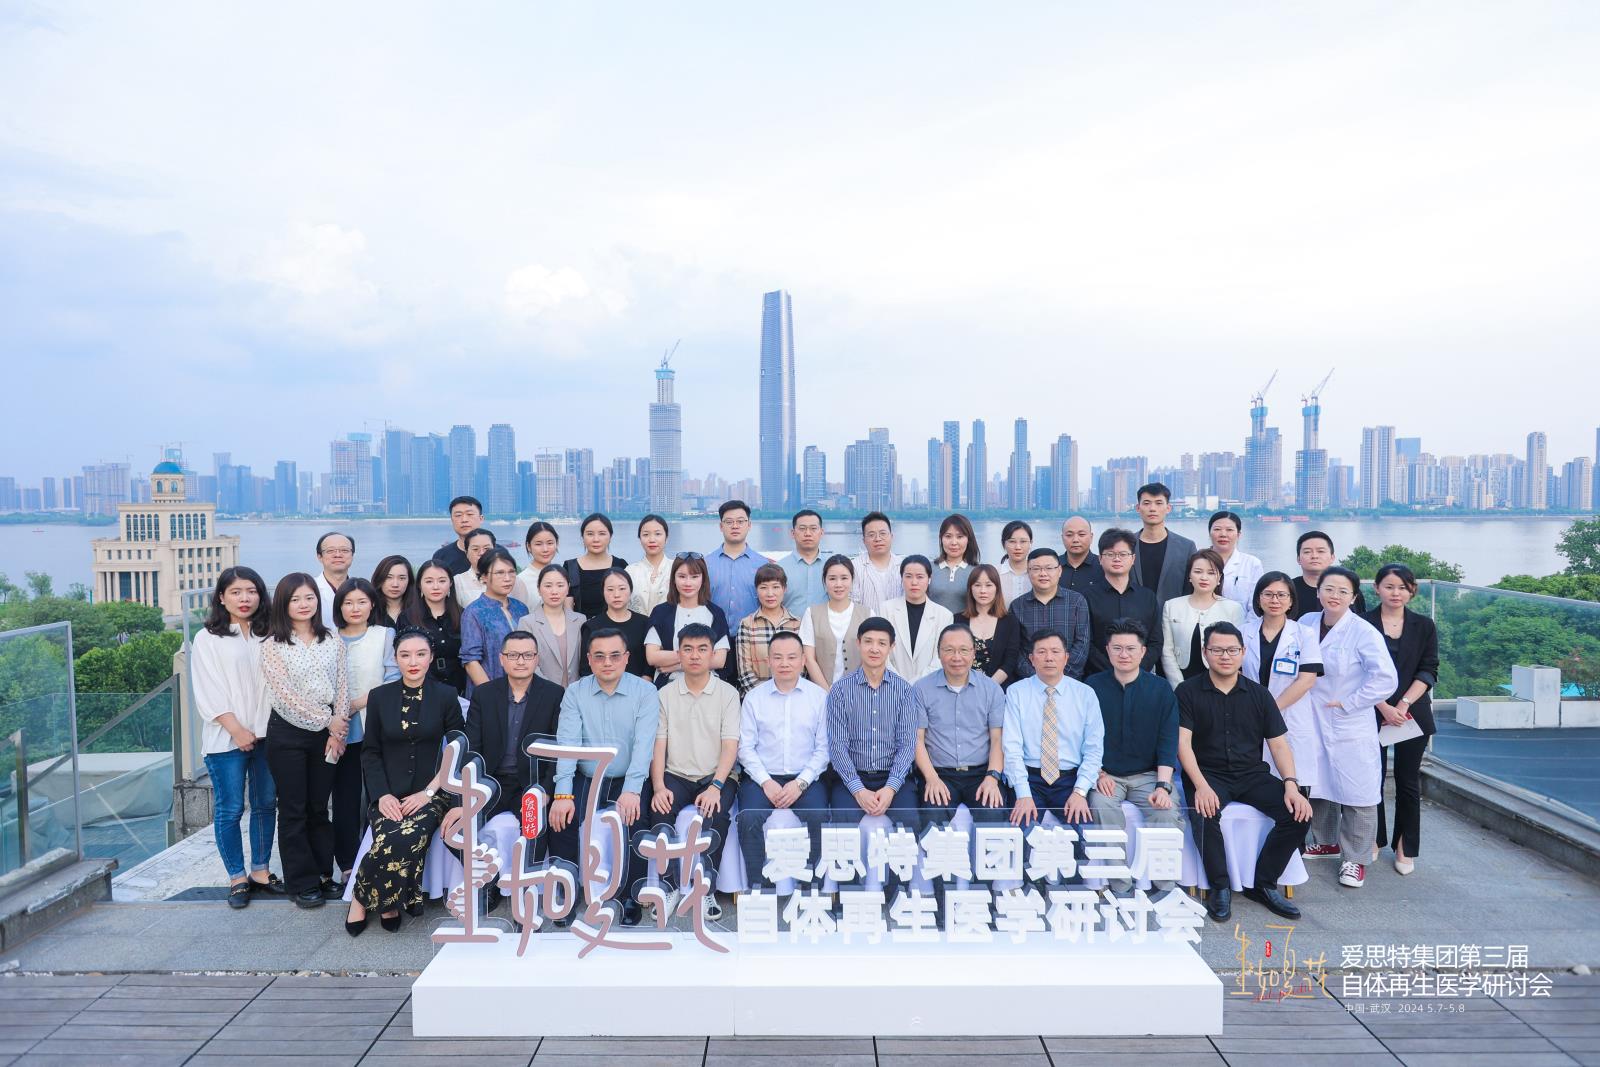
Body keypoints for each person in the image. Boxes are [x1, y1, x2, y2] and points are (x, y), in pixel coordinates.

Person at [1176, 621, 1313, 922]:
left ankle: (1263, 884)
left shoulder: (1259, 695)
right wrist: (1200, 785)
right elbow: (1182, 744)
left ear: (1243, 652)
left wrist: (1291, 785)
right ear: (1205, 653)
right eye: (1217, 650)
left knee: (1298, 813)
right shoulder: (1187, 691)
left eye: (1232, 650)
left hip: (1251, 774)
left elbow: (1279, 745)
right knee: (1204, 814)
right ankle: (1220, 886)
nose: (1225, 656)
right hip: (1208, 774)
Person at [344, 630, 464, 935]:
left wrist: (429, 792)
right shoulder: (379, 696)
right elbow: (370, 752)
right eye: (405, 655)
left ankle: (361, 897)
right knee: (388, 833)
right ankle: (388, 904)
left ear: (431, 657)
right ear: (395, 658)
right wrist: (382, 794)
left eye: (420, 654)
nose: (413, 662)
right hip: (388, 790)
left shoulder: (446, 695)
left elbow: (458, 749)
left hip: (432, 791)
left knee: (410, 835)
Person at [549, 629, 662, 926]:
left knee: (636, 820)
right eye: (599, 656)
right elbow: (568, 744)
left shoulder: (645, 692)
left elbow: (644, 745)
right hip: (588, 775)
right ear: (589, 659)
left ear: (626, 658)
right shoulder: (575, 692)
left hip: (629, 775)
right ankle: (567, 889)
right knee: (563, 818)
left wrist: (633, 790)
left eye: (614, 655)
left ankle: (630, 894)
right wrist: (563, 793)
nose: (607, 662)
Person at [1302, 567, 1398, 889]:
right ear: (1318, 591)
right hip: (1312, 717)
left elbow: (1386, 679)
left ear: (1354, 597)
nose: (1335, 596)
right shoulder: (1306, 623)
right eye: (1329, 589)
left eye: (1343, 591)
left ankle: (1355, 859)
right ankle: (1325, 841)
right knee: (1318, 782)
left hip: (1349, 721)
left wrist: (1350, 702)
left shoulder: (1363, 632)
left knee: (1358, 791)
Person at [192, 566, 280, 908]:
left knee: (265, 803)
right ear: (221, 597)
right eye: (236, 592)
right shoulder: (208, 638)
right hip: (226, 739)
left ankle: (260, 870)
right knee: (230, 809)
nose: (245, 598)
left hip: (267, 735)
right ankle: (237, 877)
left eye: (251, 591)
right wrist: (237, 730)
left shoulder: (268, 633)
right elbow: (208, 691)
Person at [259, 573, 349, 908]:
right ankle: (301, 882)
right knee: (293, 808)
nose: (303, 604)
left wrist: (337, 731)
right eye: (295, 599)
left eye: (309, 597)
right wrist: (329, 721)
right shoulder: (273, 646)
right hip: (288, 733)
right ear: (283, 604)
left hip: (327, 733)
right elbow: (286, 696)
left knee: (319, 808)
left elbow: (343, 687)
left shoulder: (333, 640)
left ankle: (323, 874)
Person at [463, 629, 564, 908]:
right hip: (491, 783)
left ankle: (526, 889)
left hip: (530, 783)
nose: (521, 661)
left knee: (534, 825)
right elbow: (472, 748)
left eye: (528, 655)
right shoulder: (484, 694)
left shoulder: (554, 694)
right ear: (502, 659)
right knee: (456, 826)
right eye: (513, 655)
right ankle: (491, 879)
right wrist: (469, 794)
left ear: (537, 658)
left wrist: (546, 789)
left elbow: (558, 750)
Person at [913, 625, 1009, 907]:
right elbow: (917, 740)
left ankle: (982, 899)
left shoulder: (991, 689)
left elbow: (997, 739)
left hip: (981, 773)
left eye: (964, 650)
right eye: (949, 650)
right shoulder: (921, 689)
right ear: (939, 653)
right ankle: (942, 900)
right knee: (933, 821)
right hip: (939, 773)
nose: (957, 657)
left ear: (974, 653)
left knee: (992, 818)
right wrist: (931, 778)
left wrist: (993, 777)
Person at [649, 623, 740, 919]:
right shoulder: (664, 694)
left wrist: (716, 786)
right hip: (676, 775)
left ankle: (706, 888)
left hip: (716, 776)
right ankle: (669, 886)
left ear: (713, 654)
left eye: (702, 649)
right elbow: (659, 744)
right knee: (659, 811)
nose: (695, 656)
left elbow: (730, 745)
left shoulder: (728, 693)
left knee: (716, 817)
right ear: (678, 653)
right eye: (687, 649)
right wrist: (659, 786)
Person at [1084, 620, 1183, 893]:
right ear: (1107, 650)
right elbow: (1082, 736)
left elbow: (1168, 741)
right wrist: (1098, 773)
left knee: (1165, 810)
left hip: (1149, 775)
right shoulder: (1092, 686)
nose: (1124, 654)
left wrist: (1163, 786)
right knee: (1101, 804)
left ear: (1142, 652)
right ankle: (1120, 885)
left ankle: (1165, 885)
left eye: (1130, 648)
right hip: (1107, 775)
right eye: (1117, 648)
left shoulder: (1160, 689)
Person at [827, 617, 924, 895]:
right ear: (858, 644)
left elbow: (907, 745)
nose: (874, 648)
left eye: (882, 643)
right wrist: (858, 790)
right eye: (868, 641)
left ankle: (897, 892)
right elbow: (837, 746)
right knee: (843, 824)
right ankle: (848, 895)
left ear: (891, 647)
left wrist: (891, 788)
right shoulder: (840, 690)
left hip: (893, 776)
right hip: (852, 776)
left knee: (910, 822)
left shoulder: (904, 690)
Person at [1003, 630, 1103, 895]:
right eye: (1042, 652)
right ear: (1031, 659)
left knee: (1083, 831)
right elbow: (1011, 748)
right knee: (1022, 829)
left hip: (1069, 779)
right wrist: (1023, 794)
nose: (1049, 658)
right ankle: (1028, 893)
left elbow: (1094, 748)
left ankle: (1074, 896)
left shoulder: (1085, 694)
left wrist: (1080, 791)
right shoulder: (1016, 693)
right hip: (1030, 777)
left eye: (1055, 652)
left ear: (1066, 657)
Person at [738, 631, 831, 893]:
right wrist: (766, 782)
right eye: (777, 657)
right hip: (763, 778)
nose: (784, 663)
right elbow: (745, 748)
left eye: (792, 657)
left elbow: (824, 749)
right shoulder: (754, 698)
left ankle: (811, 890)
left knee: (818, 817)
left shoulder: (819, 697)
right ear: (768, 661)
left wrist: (800, 783)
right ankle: (760, 887)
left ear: (803, 661)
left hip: (806, 777)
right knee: (748, 818)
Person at [1365, 563, 1440, 876]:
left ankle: (1404, 846)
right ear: (1377, 588)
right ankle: (1373, 838)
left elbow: (1429, 669)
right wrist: (1384, 706)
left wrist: (1404, 703)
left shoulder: (1424, 625)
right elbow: (1355, 671)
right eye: (1389, 586)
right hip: (1371, 712)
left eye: (1403, 587)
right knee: (1372, 780)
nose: (1396, 593)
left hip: (1412, 714)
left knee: (1408, 782)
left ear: (1412, 591)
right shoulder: (1362, 622)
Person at [1242, 572, 1325, 851]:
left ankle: (1294, 850)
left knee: (1293, 782)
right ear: (1258, 599)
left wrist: (1271, 709)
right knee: (1258, 785)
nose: (1274, 600)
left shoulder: (1304, 634)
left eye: (1281, 595)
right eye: (1268, 594)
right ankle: (1257, 847)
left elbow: (1307, 679)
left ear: (1291, 601)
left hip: (1290, 717)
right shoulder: (1243, 632)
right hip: (1250, 717)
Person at [332, 577, 398, 885]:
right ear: (339, 607)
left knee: (379, 794)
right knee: (344, 799)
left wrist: (354, 704)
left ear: (372, 604)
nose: (355, 608)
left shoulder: (384, 635)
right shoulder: (328, 638)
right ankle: (347, 863)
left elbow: (393, 679)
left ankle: (380, 856)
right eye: (348, 602)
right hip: (339, 731)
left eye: (361, 602)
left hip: (377, 727)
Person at [1081, 529, 1163, 677]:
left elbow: (1155, 642)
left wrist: (1137, 670)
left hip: (1141, 676)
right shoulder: (1086, 597)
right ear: (1100, 559)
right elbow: (1086, 642)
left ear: (1133, 559)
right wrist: (1112, 672)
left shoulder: (1147, 597)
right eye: (1110, 554)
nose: (1117, 559)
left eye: (1123, 554)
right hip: (1099, 677)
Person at [1160, 549, 1246, 687]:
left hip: (1219, 682)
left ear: (1219, 578)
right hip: (1181, 679)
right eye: (1198, 571)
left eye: (1211, 573)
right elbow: (1167, 651)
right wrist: (1179, 687)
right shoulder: (1172, 606)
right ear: (1189, 575)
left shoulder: (1233, 608)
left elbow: (1237, 650)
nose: (1204, 577)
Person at [645, 554, 732, 686]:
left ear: (703, 579)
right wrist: (700, 656)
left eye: (694, 577)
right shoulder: (660, 612)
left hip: (708, 685)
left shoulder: (716, 613)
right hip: (669, 685)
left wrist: (677, 666)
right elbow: (652, 657)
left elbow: (719, 660)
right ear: (673, 579)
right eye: (682, 576)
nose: (688, 583)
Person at [1010, 548, 1091, 682]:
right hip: (1030, 683)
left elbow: (1082, 643)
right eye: (1036, 569)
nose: (1043, 573)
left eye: (1049, 568)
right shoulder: (1017, 606)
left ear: (1059, 571)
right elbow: (1016, 649)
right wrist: (1035, 678)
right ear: (1028, 572)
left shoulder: (1077, 601)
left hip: (1070, 681)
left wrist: (1061, 678)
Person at [460, 547, 529, 696]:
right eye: (499, 573)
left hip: (522, 690)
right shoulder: (474, 612)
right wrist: (492, 695)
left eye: (511, 572)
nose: (507, 578)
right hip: (489, 692)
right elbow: (471, 661)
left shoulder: (521, 608)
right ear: (484, 576)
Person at [881, 555, 955, 682]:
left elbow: (940, 658)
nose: (914, 582)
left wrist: (916, 684)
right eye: (908, 576)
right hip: (891, 684)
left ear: (929, 579)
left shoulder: (944, 615)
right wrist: (900, 683)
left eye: (920, 577)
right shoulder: (886, 609)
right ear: (901, 578)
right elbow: (882, 652)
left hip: (928, 686)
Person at [799, 554, 869, 688]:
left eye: (844, 578)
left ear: (852, 580)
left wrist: (853, 690)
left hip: (858, 690)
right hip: (820, 691)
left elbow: (870, 657)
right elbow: (809, 659)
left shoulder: (867, 614)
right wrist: (827, 692)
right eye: (832, 578)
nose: (838, 584)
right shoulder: (811, 614)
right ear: (824, 582)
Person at [735, 563, 802, 695]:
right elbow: (745, 672)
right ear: (756, 590)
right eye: (763, 587)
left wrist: (788, 694)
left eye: (776, 587)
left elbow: (802, 667)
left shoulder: (797, 624)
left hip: (793, 697)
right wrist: (766, 698)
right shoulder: (747, 624)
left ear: (784, 589)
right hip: (756, 698)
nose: (770, 593)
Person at [402, 560, 465, 694]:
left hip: (460, 688)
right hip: (422, 689)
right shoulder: (407, 617)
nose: (436, 587)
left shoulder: (463, 615)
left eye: (442, 581)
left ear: (450, 583)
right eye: (429, 581)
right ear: (419, 585)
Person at [518, 564, 585, 688]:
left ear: (568, 588)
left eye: (560, 585)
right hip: (542, 692)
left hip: (576, 693)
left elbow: (584, 661)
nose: (554, 591)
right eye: (548, 586)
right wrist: (550, 691)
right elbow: (527, 662)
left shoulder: (580, 620)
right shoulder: (527, 623)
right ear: (539, 589)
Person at [1130, 483, 1196, 607]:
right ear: (1138, 508)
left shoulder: (1186, 547)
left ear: (1168, 508)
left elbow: (1191, 587)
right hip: (1133, 615)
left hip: (1173, 615)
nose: (1152, 508)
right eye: (1147, 503)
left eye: (1159, 503)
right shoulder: (1126, 545)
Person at [955, 564, 1022, 686]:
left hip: (998, 688)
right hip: (963, 687)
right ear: (970, 589)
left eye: (988, 585)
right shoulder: (957, 620)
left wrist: (989, 687)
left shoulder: (1010, 621)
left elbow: (1010, 661)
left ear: (997, 588)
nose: (983, 591)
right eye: (977, 585)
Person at [579, 569, 652, 678]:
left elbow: (649, 666)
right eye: (610, 589)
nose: (616, 594)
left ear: (631, 590)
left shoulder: (645, 623)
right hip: (602, 686)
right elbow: (585, 669)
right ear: (603, 592)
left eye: (622, 588)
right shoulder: (591, 626)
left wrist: (644, 682)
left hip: (639, 686)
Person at [705, 500, 763, 628]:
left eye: (740, 521)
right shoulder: (705, 563)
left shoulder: (762, 564)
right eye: (729, 522)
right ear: (721, 526)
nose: (735, 526)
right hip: (713, 634)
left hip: (751, 635)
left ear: (749, 525)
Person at [564, 513, 629, 620]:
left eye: (602, 534)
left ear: (610, 536)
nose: (596, 539)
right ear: (582, 536)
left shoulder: (620, 565)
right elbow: (568, 608)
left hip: (615, 626)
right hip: (581, 626)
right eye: (590, 534)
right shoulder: (570, 567)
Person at [1289, 531, 1367, 620]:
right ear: (1298, 559)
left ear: (1332, 557)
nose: (1314, 556)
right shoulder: (1288, 589)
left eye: (1320, 551)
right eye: (1307, 552)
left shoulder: (1348, 589)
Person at [1208, 511, 1263, 616]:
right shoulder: (1198, 561)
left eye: (1229, 530)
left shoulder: (1252, 564)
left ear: (1238, 534)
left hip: (1240, 624)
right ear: (1210, 533)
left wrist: (1245, 626)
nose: (1223, 534)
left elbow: (1256, 606)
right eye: (1217, 529)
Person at [849, 511, 903, 613]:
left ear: (891, 536)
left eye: (883, 533)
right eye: (871, 535)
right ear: (864, 540)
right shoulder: (853, 568)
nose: (878, 539)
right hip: (864, 623)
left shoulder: (904, 567)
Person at [928, 513, 979, 614]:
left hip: (965, 624)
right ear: (941, 538)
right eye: (948, 536)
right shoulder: (928, 568)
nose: (954, 542)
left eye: (960, 537)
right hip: (932, 623)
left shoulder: (977, 571)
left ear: (968, 539)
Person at [779, 509, 827, 613]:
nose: (808, 533)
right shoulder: (779, 568)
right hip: (789, 623)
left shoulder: (832, 567)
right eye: (802, 529)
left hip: (825, 623)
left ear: (821, 532)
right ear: (793, 533)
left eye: (813, 528)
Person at [625, 515, 673, 615]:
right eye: (646, 534)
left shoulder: (676, 569)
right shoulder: (630, 572)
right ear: (640, 539)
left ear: (667, 538)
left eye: (658, 534)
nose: (652, 539)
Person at [433, 496, 484, 577]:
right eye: (458, 515)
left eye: (470, 514)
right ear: (452, 520)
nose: (464, 520)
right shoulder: (441, 555)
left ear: (481, 519)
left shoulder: (498, 553)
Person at [313, 532, 355, 631]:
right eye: (330, 551)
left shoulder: (362, 590)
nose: (338, 555)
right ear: (319, 557)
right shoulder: (309, 589)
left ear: (352, 555)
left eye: (344, 550)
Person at [516, 521, 562, 607]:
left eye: (550, 543)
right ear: (528, 546)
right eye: (538, 544)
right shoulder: (520, 581)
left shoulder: (563, 576)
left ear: (557, 543)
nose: (545, 549)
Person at [452, 527, 499, 608]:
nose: (481, 553)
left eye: (486, 548)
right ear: (466, 553)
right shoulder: (457, 581)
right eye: (475, 549)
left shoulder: (508, 579)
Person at [1060, 516, 1101, 595]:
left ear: (1091, 537)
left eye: (1081, 534)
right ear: (1062, 538)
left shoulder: (1103, 566)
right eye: (1069, 535)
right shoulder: (1052, 567)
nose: (1075, 540)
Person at [370, 555, 413, 629]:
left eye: (402, 578)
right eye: (389, 577)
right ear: (379, 579)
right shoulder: (369, 611)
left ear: (409, 580)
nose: (395, 584)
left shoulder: (419, 610)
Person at [997, 521, 1034, 604]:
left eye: (1023, 541)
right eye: (1012, 541)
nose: (1018, 547)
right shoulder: (994, 573)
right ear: (1003, 544)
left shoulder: (1037, 573)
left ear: (1030, 543)